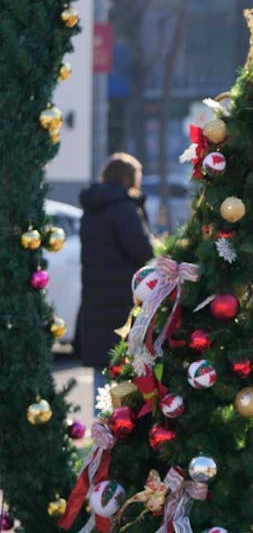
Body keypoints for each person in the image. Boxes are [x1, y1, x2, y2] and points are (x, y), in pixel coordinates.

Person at [76, 153, 155, 397]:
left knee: (101, 373)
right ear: (128, 178)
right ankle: (119, 430)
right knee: (124, 369)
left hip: (94, 298)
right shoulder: (125, 209)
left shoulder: (91, 210)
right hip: (122, 300)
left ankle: (100, 429)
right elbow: (142, 250)